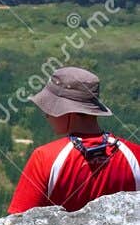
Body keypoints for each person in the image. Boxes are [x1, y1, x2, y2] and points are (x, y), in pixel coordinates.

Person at [7, 66, 138, 214]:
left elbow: (18, 224)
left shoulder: (44, 158)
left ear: (70, 112)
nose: (47, 115)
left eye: (50, 109)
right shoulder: (135, 155)